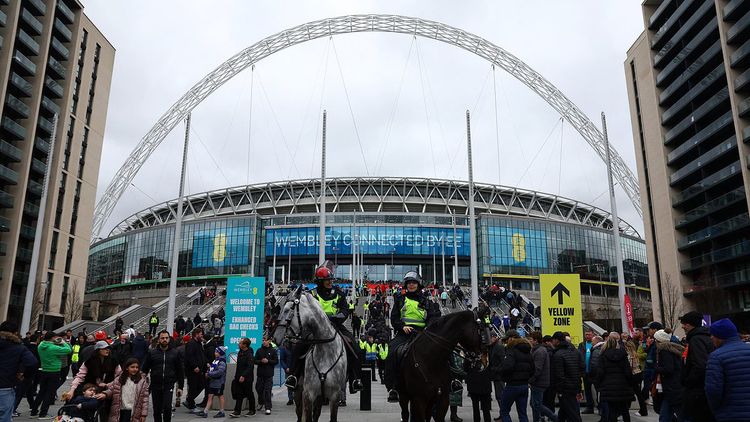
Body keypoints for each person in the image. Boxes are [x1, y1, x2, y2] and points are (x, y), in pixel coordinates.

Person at [284, 262, 363, 395]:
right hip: (314, 328)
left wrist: (335, 319)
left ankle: (356, 379)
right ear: (320, 281)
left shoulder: (339, 293)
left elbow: (344, 310)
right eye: (327, 280)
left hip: (335, 325)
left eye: (331, 280)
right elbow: (307, 310)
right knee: (298, 347)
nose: (330, 282)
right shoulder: (311, 294)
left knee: (354, 346)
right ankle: (293, 376)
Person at [385, 271, 441, 402]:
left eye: (414, 283)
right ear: (406, 285)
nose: (411, 285)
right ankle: (392, 387)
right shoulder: (400, 299)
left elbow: (432, 317)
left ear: (418, 285)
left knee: (441, 349)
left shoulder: (426, 301)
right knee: (392, 352)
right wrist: (402, 326)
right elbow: (394, 318)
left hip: (422, 334)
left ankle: (452, 381)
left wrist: (426, 328)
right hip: (405, 333)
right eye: (409, 283)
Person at [705, 318, 750, 421]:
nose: (711, 338)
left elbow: (713, 390)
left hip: (731, 413)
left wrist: (716, 410)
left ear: (720, 337)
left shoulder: (716, 357)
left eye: (713, 335)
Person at [678, 311, 714, 422]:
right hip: (701, 388)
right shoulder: (704, 337)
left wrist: (688, 381)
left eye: (684, 324)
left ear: (690, 324)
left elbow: (700, 365)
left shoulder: (696, 339)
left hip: (697, 391)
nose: (683, 326)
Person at [140, 330, 184, 422]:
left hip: (169, 384)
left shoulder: (175, 353)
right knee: (157, 409)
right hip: (156, 385)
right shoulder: (152, 353)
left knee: (167, 407)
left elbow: (180, 371)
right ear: (158, 340)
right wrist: (142, 383)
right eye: (162, 338)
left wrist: (180, 387)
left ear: (169, 339)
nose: (164, 340)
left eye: (166, 338)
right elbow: (144, 369)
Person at [0, 321, 37, 422]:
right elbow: (32, 363)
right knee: (3, 416)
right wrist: (24, 375)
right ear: (16, 333)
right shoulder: (18, 347)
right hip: (5, 387)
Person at [30, 332, 72, 418]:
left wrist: (55, 342)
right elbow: (68, 350)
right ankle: (43, 413)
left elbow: (49, 343)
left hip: (44, 370)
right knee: (49, 393)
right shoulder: (53, 348)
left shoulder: (41, 345)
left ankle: (34, 411)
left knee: (41, 392)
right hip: (54, 371)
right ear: (53, 338)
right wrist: (63, 342)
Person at [594, 333, 632, 422]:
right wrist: (630, 384)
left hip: (608, 387)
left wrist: (598, 384)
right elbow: (628, 372)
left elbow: (600, 372)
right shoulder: (623, 355)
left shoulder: (603, 356)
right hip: (622, 386)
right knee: (625, 410)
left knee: (612, 411)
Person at [499, 331, 533, 422]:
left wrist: (502, 373)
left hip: (512, 385)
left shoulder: (511, 350)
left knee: (504, 411)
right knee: (522, 413)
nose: (506, 342)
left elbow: (508, 367)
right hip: (524, 385)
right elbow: (532, 368)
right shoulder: (527, 351)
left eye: (507, 339)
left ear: (512, 338)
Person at [550, 332, 582, 422]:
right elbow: (580, 369)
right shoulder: (575, 351)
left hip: (565, 388)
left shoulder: (558, 354)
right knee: (564, 412)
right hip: (574, 385)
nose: (552, 342)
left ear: (556, 340)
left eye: (553, 340)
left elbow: (559, 374)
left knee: (573, 414)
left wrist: (559, 390)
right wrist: (579, 387)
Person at [653, 329, 683, 422]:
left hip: (672, 388)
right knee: (664, 416)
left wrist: (656, 368)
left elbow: (668, 369)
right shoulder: (671, 349)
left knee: (680, 416)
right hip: (672, 388)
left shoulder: (664, 351)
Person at [528, 332, 556, 422]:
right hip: (539, 381)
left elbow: (537, 369)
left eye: (531, 339)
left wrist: (530, 380)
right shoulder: (537, 350)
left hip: (539, 382)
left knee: (537, 404)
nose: (529, 341)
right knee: (534, 404)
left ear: (536, 340)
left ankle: (555, 418)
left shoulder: (540, 351)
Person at [196, 346, 226, 418]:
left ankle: (221, 411)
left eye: (216, 352)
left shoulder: (222, 362)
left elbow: (220, 372)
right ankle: (205, 411)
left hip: (219, 382)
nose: (215, 353)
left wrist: (209, 374)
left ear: (220, 353)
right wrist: (209, 370)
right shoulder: (216, 360)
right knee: (210, 396)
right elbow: (213, 369)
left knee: (220, 396)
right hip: (213, 382)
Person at [230, 338, 256, 417]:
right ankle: (237, 411)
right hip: (238, 377)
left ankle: (252, 410)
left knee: (249, 394)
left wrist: (243, 375)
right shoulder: (240, 352)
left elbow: (250, 367)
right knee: (239, 394)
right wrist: (237, 376)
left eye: (240, 343)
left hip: (247, 378)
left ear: (245, 345)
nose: (238, 344)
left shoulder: (249, 354)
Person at [184, 328, 207, 412]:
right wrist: (194, 366)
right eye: (201, 334)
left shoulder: (199, 344)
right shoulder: (191, 343)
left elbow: (201, 355)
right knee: (194, 386)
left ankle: (189, 400)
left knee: (201, 385)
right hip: (192, 370)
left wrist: (206, 363)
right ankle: (190, 403)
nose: (202, 336)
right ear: (196, 334)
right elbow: (189, 356)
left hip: (199, 369)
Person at [465, 355, 492, 422]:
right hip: (485, 384)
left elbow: (465, 369)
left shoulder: (470, 355)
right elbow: (492, 369)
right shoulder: (487, 354)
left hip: (474, 385)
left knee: (475, 408)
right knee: (486, 409)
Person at [254, 336, 277, 415]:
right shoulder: (259, 350)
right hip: (260, 374)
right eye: (263, 340)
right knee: (258, 388)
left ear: (269, 341)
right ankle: (261, 402)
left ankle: (268, 407)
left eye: (265, 340)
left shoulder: (273, 351)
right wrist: (260, 361)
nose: (264, 341)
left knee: (267, 391)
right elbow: (255, 360)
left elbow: (275, 361)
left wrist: (268, 361)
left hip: (269, 374)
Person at [624, 339, 647, 417]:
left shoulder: (630, 355)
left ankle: (641, 410)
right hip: (638, 374)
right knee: (638, 393)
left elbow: (630, 367)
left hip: (632, 375)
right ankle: (643, 410)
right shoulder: (636, 354)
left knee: (631, 393)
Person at [487, 331, 505, 420]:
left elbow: (503, 362)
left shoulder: (499, 347)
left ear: (494, 337)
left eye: (490, 338)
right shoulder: (493, 346)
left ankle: (504, 415)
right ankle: (502, 414)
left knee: (500, 396)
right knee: (499, 396)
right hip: (495, 376)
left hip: (499, 376)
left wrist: (495, 369)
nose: (489, 340)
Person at [577, 330, 595, 414]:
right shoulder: (582, 345)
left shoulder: (596, 344)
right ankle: (589, 407)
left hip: (594, 372)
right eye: (586, 335)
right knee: (587, 391)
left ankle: (601, 407)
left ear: (593, 335)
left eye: (589, 334)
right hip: (585, 372)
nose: (587, 336)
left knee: (598, 390)